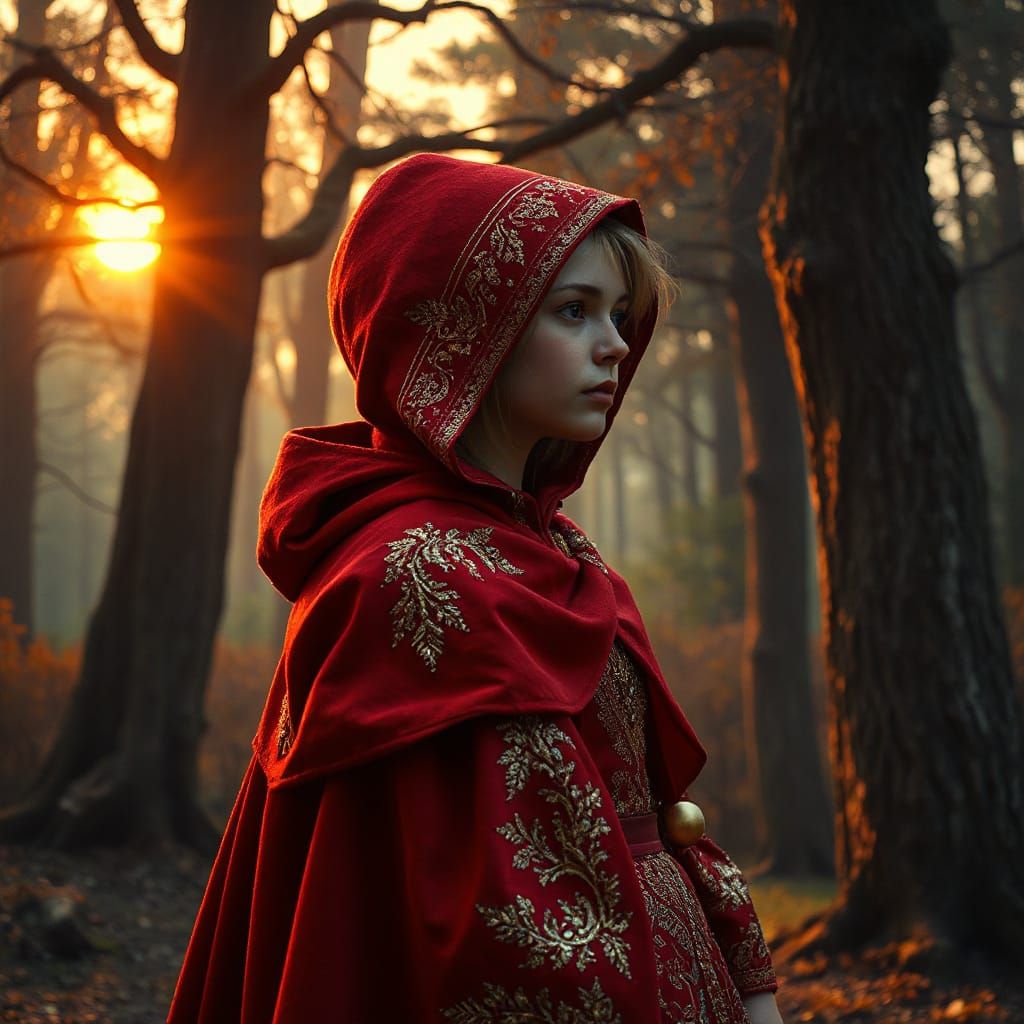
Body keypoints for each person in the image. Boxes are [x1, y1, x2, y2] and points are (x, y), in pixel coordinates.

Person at [168, 153, 784, 1024]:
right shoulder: (415, 572)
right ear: (463, 329)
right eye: (574, 312)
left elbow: (650, 810)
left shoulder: (553, 545)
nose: (614, 344)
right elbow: (507, 924)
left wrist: (744, 977)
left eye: (618, 314)